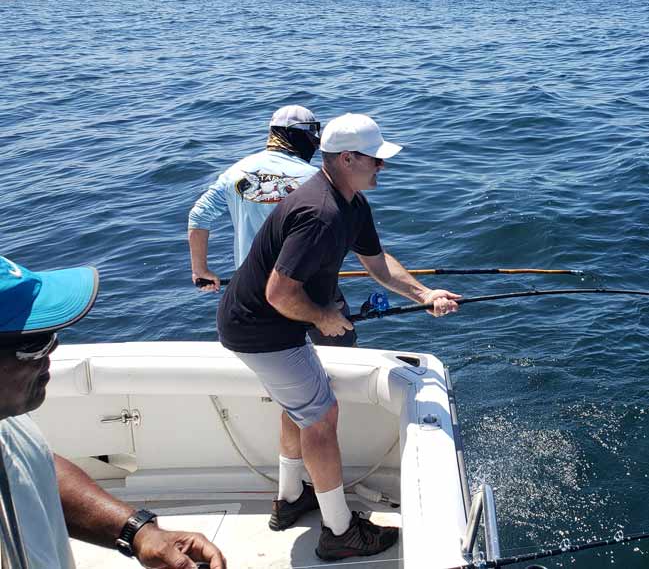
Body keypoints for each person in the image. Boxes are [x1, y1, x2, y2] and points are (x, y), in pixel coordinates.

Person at [216, 113, 461, 561]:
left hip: (268, 323)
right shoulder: (321, 214)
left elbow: (378, 263)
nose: (382, 168)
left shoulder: (350, 203)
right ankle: (339, 531)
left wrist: (426, 294)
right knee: (321, 416)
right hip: (261, 327)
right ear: (347, 159)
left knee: (302, 407)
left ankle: (291, 499)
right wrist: (322, 317)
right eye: (376, 161)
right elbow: (279, 292)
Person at [0, 256, 226, 569]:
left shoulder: (8, 423)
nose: (52, 351)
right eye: (36, 343)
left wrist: (138, 532)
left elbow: (31, 467)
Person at [188, 105, 322, 292]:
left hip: (249, 290)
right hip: (302, 293)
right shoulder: (317, 178)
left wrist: (200, 270)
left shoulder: (235, 172)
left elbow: (198, 215)